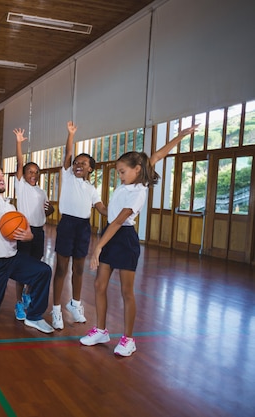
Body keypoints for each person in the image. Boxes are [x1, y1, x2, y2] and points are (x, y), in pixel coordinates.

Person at [80, 125, 198, 356]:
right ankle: (101, 329)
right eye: (118, 171)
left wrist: (98, 247)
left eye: (122, 171)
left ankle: (128, 339)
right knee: (99, 285)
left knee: (127, 291)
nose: (119, 175)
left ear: (137, 169)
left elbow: (117, 222)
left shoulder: (139, 190)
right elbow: (157, 155)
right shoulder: (128, 183)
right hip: (111, 234)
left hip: (123, 238)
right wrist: (180, 136)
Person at [0, 120, 53, 334]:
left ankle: (34, 315)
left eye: (1, 174)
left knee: (43, 271)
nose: (0, 177)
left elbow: (20, 232)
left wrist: (28, 237)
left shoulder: (10, 205)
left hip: (12, 259)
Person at [51, 121, 108, 330]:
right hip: (67, 224)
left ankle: (75, 304)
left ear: (90, 169)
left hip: (84, 227)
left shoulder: (92, 189)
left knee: (79, 268)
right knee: (61, 268)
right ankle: (56, 309)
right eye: (76, 162)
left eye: (83, 163)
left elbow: (101, 208)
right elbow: (67, 153)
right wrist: (71, 135)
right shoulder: (67, 177)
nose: (78, 165)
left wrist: (120, 214)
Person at [12, 127, 54, 321]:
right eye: (30, 171)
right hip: (23, 230)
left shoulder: (41, 191)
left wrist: (50, 210)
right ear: (24, 173)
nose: (33, 174)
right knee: (22, 268)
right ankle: (19, 303)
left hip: (38, 231)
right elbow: (19, 162)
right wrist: (19, 143)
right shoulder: (20, 186)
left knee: (36, 267)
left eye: (36, 172)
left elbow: (46, 211)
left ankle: (28, 295)